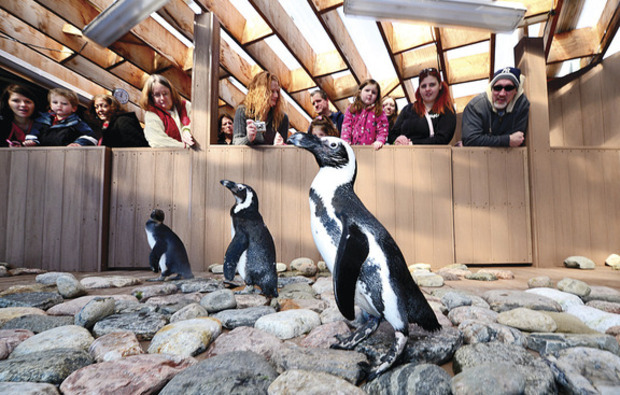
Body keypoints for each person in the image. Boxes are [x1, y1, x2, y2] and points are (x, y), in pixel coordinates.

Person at [461, 67, 530, 147]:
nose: (502, 94)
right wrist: (507, 140)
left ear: (516, 91)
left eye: (508, 88)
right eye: (497, 88)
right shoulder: (475, 107)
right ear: (491, 89)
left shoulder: (521, 106)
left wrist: (485, 139)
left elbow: (517, 139)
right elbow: (470, 140)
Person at [388, 68, 456, 145]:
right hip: (404, 154)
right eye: (423, 86)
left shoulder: (447, 109)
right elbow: (392, 135)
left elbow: (442, 139)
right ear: (419, 89)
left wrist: (412, 144)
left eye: (432, 85)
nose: (427, 89)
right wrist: (397, 139)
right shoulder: (408, 109)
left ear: (440, 86)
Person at [24, 88, 97, 147]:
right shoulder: (42, 120)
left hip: (64, 156)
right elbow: (34, 132)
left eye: (64, 103)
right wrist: (32, 141)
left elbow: (91, 137)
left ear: (74, 108)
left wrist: (78, 143)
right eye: (55, 102)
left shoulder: (77, 122)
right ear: (50, 105)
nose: (59, 105)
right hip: (42, 155)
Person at [233, 71, 288, 146]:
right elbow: (236, 143)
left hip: (272, 157)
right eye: (271, 91)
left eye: (277, 91)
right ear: (260, 93)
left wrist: (281, 146)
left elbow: (285, 148)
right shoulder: (243, 111)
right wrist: (248, 138)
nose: (276, 95)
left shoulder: (282, 118)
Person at [139, 74, 195, 148]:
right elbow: (158, 141)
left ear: (171, 93)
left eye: (165, 93)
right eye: (157, 95)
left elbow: (200, 122)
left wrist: (187, 129)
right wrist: (186, 147)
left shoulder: (185, 106)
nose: (162, 98)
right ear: (151, 97)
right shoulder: (152, 115)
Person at [341, 79, 388, 151]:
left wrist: (380, 140)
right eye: (367, 90)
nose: (370, 94)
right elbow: (346, 126)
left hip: (372, 149)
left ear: (377, 97)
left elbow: (383, 127)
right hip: (354, 148)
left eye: (374, 92)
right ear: (360, 92)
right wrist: (345, 140)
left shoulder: (379, 111)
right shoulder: (352, 109)